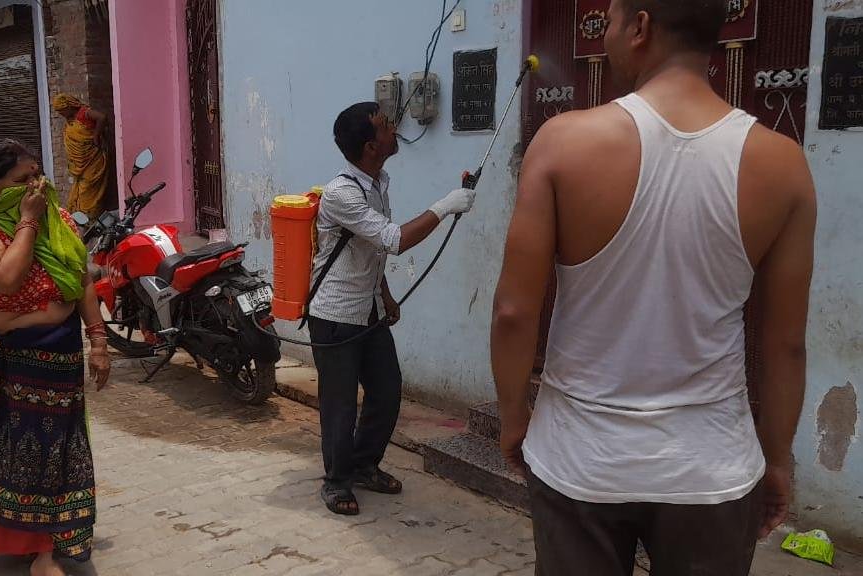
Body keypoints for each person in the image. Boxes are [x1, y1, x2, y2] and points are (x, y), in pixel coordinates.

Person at [490, 0, 816, 574]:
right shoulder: (783, 163)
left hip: (580, 459)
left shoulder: (563, 142)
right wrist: (778, 459)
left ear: (640, 26)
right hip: (711, 467)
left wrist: (514, 415)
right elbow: (785, 344)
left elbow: (514, 312)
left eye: (611, 21)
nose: (606, 35)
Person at [0, 139, 112, 576]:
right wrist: (26, 221)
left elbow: (81, 278)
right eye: (24, 179)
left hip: (54, 355)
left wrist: (98, 341)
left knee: (54, 452)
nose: (38, 185)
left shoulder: (57, 220)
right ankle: (13, 537)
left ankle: (47, 549)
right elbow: (6, 278)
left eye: (38, 174)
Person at [309, 102, 476, 515]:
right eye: (385, 126)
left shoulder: (379, 181)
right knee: (340, 405)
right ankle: (337, 483)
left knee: (386, 391)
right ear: (370, 146)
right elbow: (393, 240)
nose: (394, 128)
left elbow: (370, 248)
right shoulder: (342, 192)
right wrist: (446, 205)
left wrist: (384, 295)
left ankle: (364, 465)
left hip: (367, 308)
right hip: (334, 314)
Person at [52, 94, 109, 218]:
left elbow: (102, 117)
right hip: (79, 164)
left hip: (92, 160)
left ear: (69, 106)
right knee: (79, 190)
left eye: (62, 111)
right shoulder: (70, 120)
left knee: (88, 189)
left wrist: (96, 136)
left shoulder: (84, 113)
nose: (61, 114)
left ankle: (89, 217)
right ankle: (80, 216)